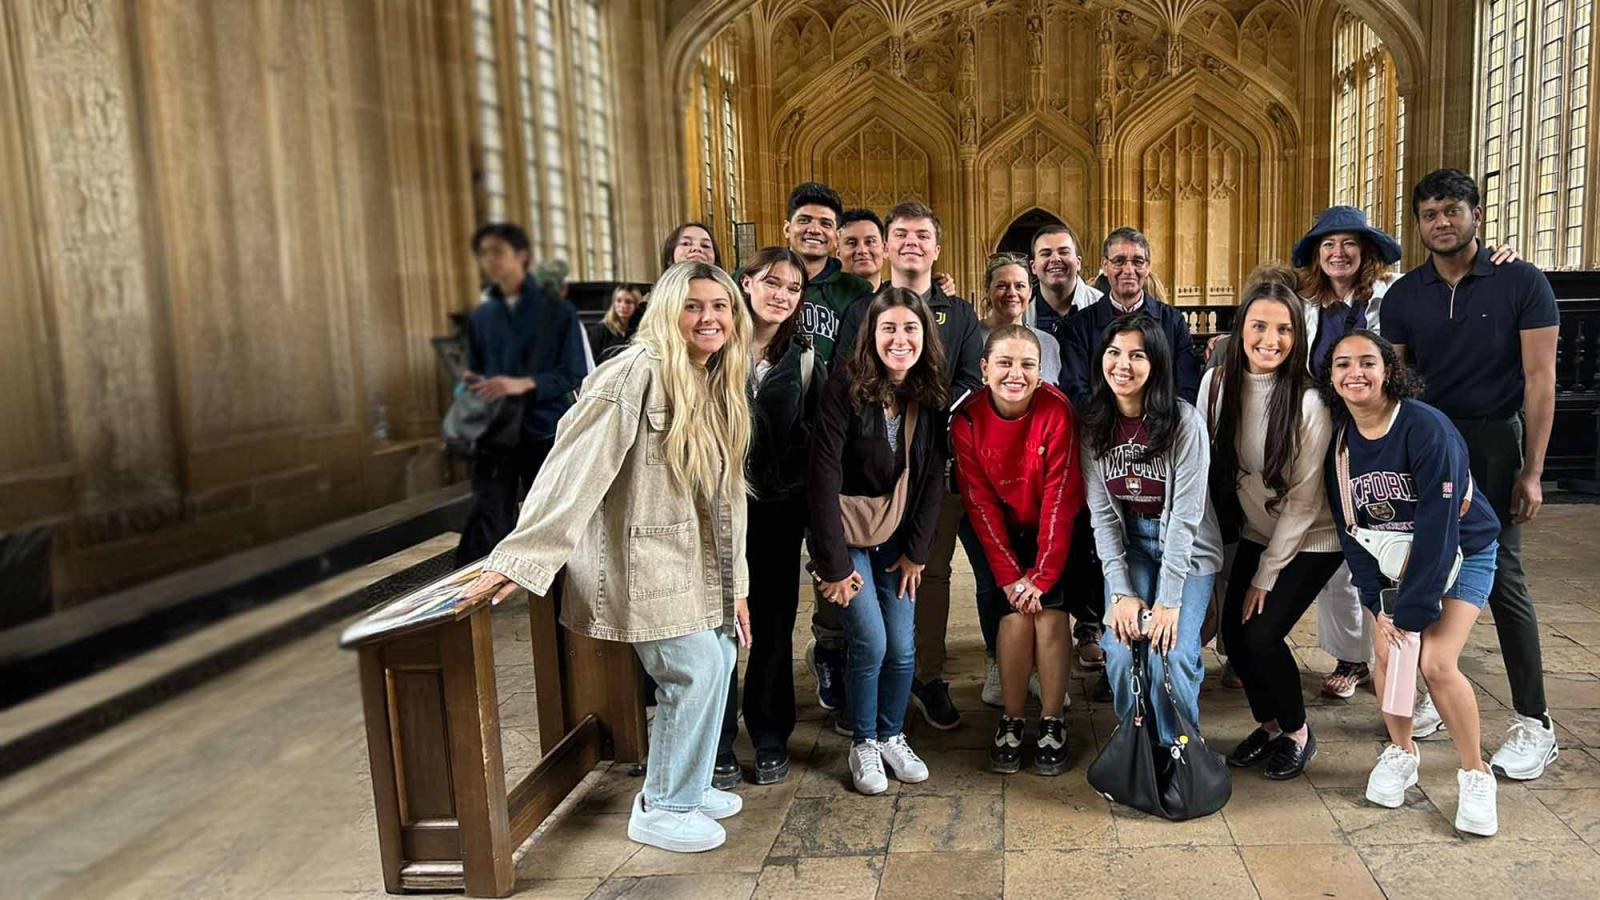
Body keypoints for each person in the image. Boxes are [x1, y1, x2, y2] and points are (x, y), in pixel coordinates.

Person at [463, 261, 754, 854]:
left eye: (720, 307)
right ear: (668, 309)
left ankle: (687, 786)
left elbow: (729, 499)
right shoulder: (633, 373)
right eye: (694, 305)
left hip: (697, 560)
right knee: (693, 669)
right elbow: (571, 469)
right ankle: (665, 807)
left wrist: (739, 584)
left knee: (718, 658)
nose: (709, 318)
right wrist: (519, 557)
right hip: (646, 560)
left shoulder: (717, 378)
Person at [1380, 168, 1560, 780]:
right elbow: (1396, 385)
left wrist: (1533, 471)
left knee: (1503, 572)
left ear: (1476, 213)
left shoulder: (1520, 281)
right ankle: (1426, 692)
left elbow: (1540, 381)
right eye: (1429, 214)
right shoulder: (1405, 295)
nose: (1441, 222)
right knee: (1418, 562)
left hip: (1492, 439)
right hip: (1427, 439)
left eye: (1452, 210)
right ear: (1419, 224)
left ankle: (1535, 721)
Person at [1321, 330, 1503, 836]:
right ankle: (1402, 752)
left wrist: (1412, 613)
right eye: (1342, 365)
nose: (1354, 373)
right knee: (1387, 655)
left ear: (1388, 371)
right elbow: (1350, 530)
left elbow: (1439, 527)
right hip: (1390, 557)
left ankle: (1474, 771)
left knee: (1436, 662)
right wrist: (1375, 603)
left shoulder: (1426, 429)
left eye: (1366, 362)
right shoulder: (1340, 446)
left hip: (1461, 550)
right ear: (1331, 377)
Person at [834, 200, 985, 731]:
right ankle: (860, 690)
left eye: (923, 234)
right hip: (864, 478)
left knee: (926, 573)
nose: (912, 243)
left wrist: (923, 406)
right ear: (886, 244)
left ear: (937, 247)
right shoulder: (860, 309)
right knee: (857, 592)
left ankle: (928, 675)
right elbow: (848, 381)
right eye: (901, 234)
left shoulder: (961, 313)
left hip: (931, 467)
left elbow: (967, 383)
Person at [808, 287, 948, 794]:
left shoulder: (930, 391)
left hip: (898, 538)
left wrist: (917, 553)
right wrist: (832, 564)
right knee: (870, 640)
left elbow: (933, 477)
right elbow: (821, 477)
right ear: (872, 334)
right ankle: (863, 741)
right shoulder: (843, 387)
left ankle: (892, 735)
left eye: (910, 328)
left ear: (923, 335)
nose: (900, 338)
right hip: (847, 537)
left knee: (904, 648)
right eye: (889, 328)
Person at [1201, 282, 1343, 780]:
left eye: (1284, 329)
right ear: (1241, 330)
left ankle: (1299, 733)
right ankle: (1270, 726)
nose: (1270, 339)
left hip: (1312, 538)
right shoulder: (1216, 384)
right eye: (1259, 326)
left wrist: (1264, 575)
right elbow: (1204, 469)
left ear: (1298, 337)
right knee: (1234, 641)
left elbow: (1305, 503)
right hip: (1260, 531)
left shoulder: (1309, 404)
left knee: (1261, 633)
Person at [1080, 315, 1223, 747]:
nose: (1122, 365)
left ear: (1157, 363)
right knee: (1120, 647)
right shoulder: (1093, 427)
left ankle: (1180, 747)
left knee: (1172, 651)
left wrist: (1169, 601)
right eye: (1114, 353)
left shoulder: (1184, 423)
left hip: (1188, 549)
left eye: (1137, 355)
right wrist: (1122, 594)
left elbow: (1185, 517)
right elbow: (1103, 516)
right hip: (1131, 548)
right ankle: (1135, 746)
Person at [713, 248, 823, 788]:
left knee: (774, 622)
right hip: (714, 511)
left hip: (777, 512)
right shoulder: (710, 352)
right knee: (716, 626)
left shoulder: (801, 360)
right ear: (746, 283)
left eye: (793, 288)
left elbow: (817, 443)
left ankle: (771, 730)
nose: (781, 294)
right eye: (771, 282)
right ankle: (715, 738)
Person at [951, 325, 1083, 774]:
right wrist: (1011, 577)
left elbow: (1060, 499)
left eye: (1027, 364)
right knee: (1013, 616)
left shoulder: (1057, 410)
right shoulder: (966, 419)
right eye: (1004, 363)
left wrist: (1042, 575)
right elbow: (979, 503)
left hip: (1052, 524)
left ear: (1040, 371)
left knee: (1048, 615)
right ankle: (1010, 719)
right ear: (984, 369)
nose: (1015, 373)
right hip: (1000, 530)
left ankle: (1050, 719)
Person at [455, 223, 588, 566]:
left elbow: (574, 373)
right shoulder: (483, 316)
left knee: (550, 518)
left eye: (497, 251)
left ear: (522, 256)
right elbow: (474, 366)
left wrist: (524, 383)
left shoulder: (558, 312)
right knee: (490, 517)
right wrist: (472, 381)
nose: (490, 261)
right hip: (495, 429)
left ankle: (558, 598)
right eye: (483, 254)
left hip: (543, 428)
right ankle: (481, 603)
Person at [1055, 227, 1201, 408]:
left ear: (1147, 267)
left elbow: (1186, 387)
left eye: (1138, 261)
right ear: (1105, 266)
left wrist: (1160, 424)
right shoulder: (1079, 326)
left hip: (1163, 428)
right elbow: (1076, 391)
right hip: (1102, 430)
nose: (1129, 269)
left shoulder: (1173, 321)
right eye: (1119, 261)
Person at [788, 183, 873, 365]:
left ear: (837, 236)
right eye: (804, 220)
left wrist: (938, 286)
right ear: (787, 229)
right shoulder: (755, 279)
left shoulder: (857, 290)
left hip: (832, 390)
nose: (814, 229)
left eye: (825, 223)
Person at [978, 253, 1062, 383]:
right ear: (988, 291)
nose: (1012, 293)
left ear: (1029, 292)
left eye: (1020, 286)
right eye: (1002, 286)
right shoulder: (970, 339)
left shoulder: (1048, 344)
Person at [1029, 224, 1102, 335]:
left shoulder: (1101, 305)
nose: (1055, 259)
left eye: (1063, 252)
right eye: (1046, 254)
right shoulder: (1020, 310)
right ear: (1033, 267)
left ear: (1078, 263)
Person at [590, 284, 642, 361]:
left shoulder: (638, 329)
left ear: (636, 305)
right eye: (618, 301)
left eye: (628, 302)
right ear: (613, 303)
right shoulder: (600, 330)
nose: (623, 305)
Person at [838, 208, 887, 289]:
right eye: (851, 243)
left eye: (870, 241)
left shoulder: (901, 299)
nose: (862, 250)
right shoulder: (821, 299)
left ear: (885, 249)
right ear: (838, 253)